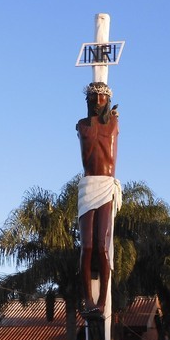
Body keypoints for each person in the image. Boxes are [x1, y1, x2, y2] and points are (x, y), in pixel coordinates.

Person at [76, 81, 122, 316]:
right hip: (87, 186)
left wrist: (113, 115)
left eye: (100, 98)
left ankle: (102, 300)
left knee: (102, 246)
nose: (96, 102)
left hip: (105, 185)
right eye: (92, 98)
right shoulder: (82, 125)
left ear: (107, 100)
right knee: (87, 246)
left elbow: (111, 120)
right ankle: (88, 300)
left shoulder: (114, 123)